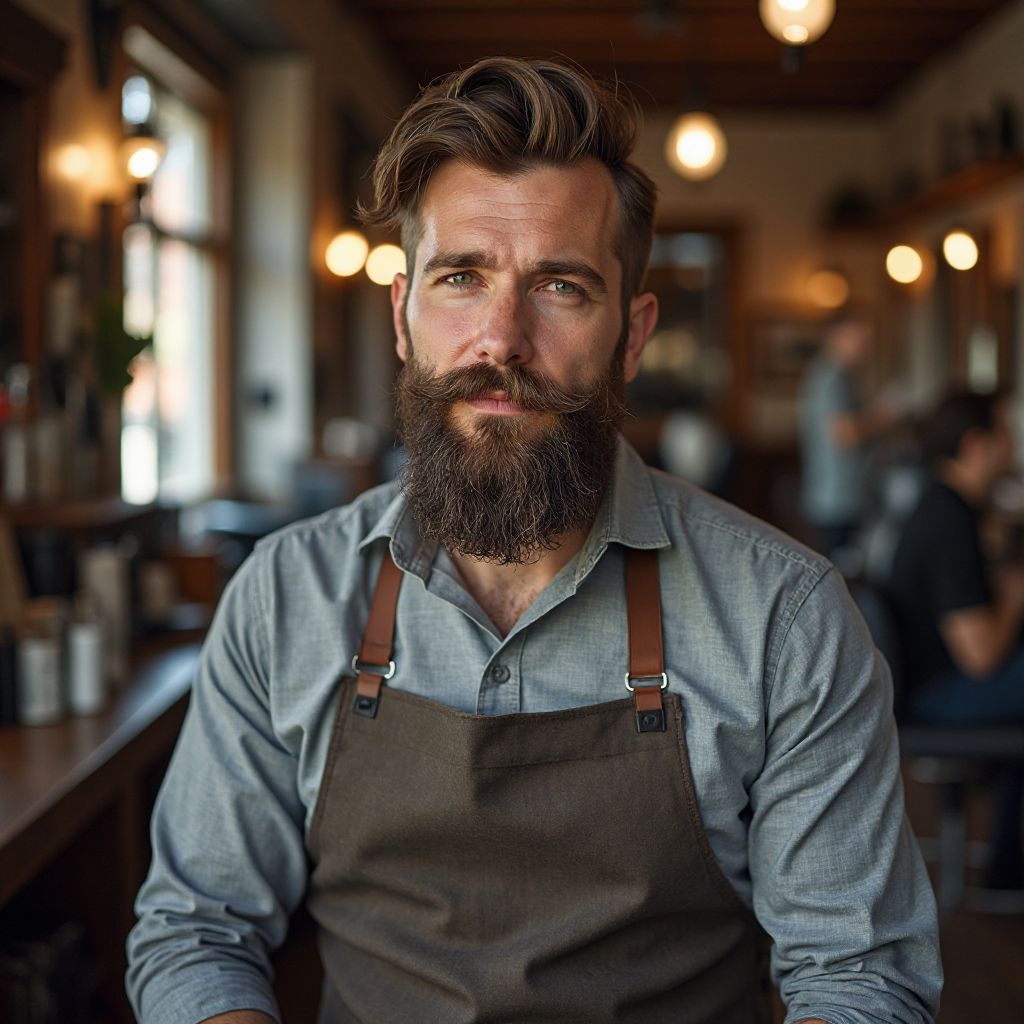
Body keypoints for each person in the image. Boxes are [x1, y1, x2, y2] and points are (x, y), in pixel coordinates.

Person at [126, 58, 941, 1024]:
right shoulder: (285, 597)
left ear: (631, 337)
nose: (501, 339)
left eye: (559, 286)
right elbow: (197, 929)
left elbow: (859, 977)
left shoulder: (785, 618)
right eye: (461, 277)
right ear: (403, 316)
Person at [889, 389, 1024, 889]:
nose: (1012, 447)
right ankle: (1007, 867)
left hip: (934, 682)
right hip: (938, 695)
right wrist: (1012, 595)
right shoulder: (948, 519)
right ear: (977, 445)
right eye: (1005, 434)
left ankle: (1007, 867)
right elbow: (983, 657)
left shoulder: (948, 505)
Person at [798, 314, 900, 559]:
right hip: (837, 496)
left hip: (841, 494)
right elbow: (844, 435)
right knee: (843, 569)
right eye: (859, 337)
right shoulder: (831, 377)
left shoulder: (838, 375)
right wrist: (885, 416)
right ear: (837, 335)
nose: (866, 345)